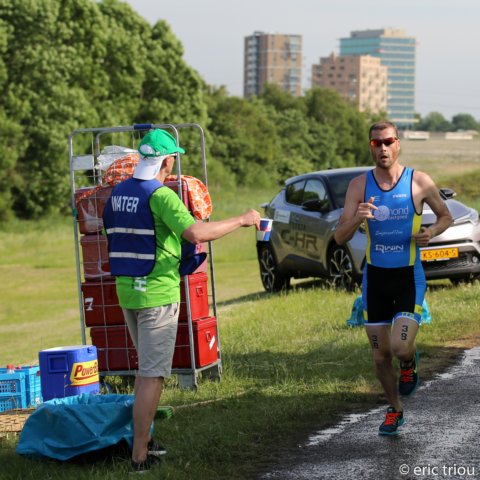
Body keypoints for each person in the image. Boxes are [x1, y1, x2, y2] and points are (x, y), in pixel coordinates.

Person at [102, 129, 261, 472]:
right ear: (168, 161)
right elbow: (196, 233)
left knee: (145, 371)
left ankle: (146, 440)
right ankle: (140, 457)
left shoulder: (119, 192)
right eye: (173, 157)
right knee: (152, 376)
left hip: (128, 291)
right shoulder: (161, 195)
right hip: (157, 294)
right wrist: (243, 220)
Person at [334, 121, 452, 436]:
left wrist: (431, 232)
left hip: (408, 277)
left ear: (398, 144)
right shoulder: (359, 186)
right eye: (376, 143)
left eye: (388, 142)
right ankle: (394, 409)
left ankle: (410, 364)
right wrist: (357, 218)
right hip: (376, 280)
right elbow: (339, 237)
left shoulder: (419, 181)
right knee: (379, 354)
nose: (382, 149)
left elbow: (445, 216)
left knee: (400, 348)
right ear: (370, 146)